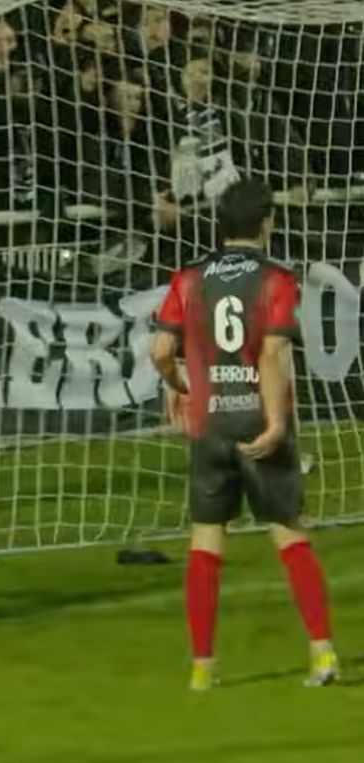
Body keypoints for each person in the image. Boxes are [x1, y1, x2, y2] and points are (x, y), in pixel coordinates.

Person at [149, 177, 338, 691]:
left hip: (210, 422)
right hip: (257, 416)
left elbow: (160, 351)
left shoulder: (189, 278)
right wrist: (275, 422)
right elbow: (273, 353)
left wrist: (180, 386)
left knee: (206, 540)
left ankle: (202, 668)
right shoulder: (276, 279)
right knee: (288, 532)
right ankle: (321, 652)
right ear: (267, 223)